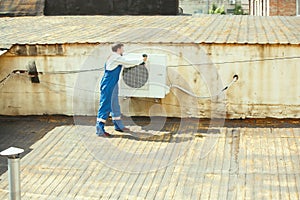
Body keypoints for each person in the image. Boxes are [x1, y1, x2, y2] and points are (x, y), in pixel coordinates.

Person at [96, 43, 147, 137]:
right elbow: (128, 62)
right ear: (119, 49)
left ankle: (118, 125)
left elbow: (126, 64)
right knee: (105, 105)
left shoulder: (115, 57)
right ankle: (100, 130)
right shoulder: (115, 57)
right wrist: (141, 60)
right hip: (108, 84)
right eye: (122, 49)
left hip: (113, 83)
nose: (123, 50)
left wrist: (139, 60)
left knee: (115, 105)